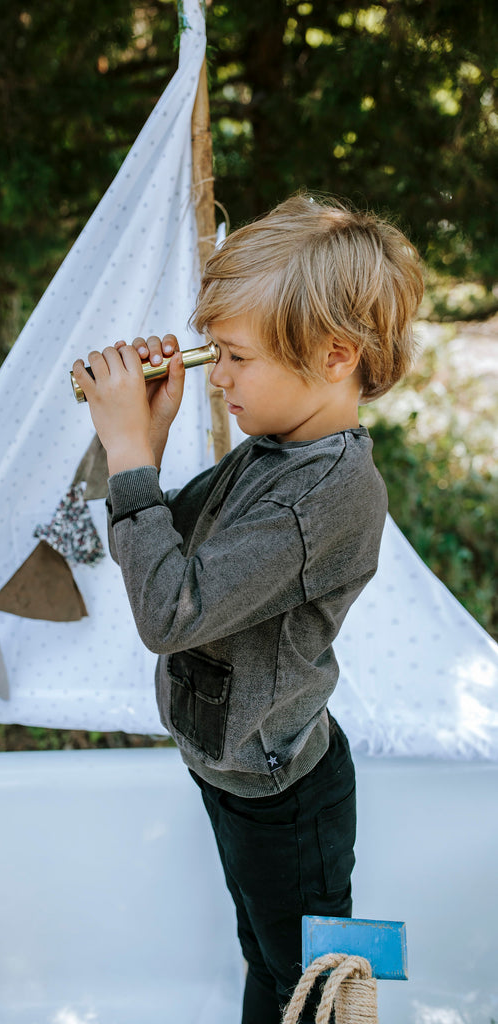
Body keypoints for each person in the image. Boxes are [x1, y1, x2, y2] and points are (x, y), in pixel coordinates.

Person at [72, 193, 424, 1024]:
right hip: (231, 766)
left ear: (334, 355)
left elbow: (170, 609)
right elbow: (164, 539)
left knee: (310, 982)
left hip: (282, 792)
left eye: (233, 357)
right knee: (266, 957)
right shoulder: (274, 451)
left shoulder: (326, 495)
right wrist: (141, 437)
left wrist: (132, 459)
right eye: (213, 354)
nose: (216, 377)